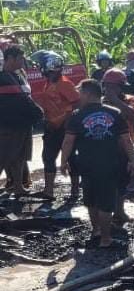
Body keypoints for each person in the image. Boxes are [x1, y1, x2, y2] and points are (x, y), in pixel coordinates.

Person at [61, 79, 134, 248]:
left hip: (86, 164)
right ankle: (105, 238)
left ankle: (96, 231)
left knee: (91, 199)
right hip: (109, 164)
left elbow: (68, 142)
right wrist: (132, 161)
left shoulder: (77, 115)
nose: (78, 96)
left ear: (88, 94)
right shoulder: (115, 113)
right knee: (106, 202)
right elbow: (126, 140)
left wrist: (63, 161)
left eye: (80, 92)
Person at [31, 51, 80, 199]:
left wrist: (62, 121)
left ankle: (75, 191)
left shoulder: (64, 84)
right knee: (48, 157)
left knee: (70, 158)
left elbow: (76, 104)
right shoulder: (50, 83)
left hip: (64, 128)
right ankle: (49, 190)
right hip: (52, 126)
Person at [0, 44, 44, 196]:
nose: (22, 62)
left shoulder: (20, 76)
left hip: (24, 124)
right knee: (3, 157)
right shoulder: (2, 77)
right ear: (10, 58)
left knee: (20, 157)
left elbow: (26, 98)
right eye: (19, 59)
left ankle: (18, 187)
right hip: (8, 126)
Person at [101, 69, 134, 225]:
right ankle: (105, 214)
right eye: (107, 86)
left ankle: (119, 211)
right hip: (103, 148)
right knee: (106, 182)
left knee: (122, 181)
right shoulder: (99, 101)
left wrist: (115, 101)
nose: (110, 90)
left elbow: (133, 114)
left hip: (123, 147)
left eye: (113, 86)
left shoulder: (131, 99)